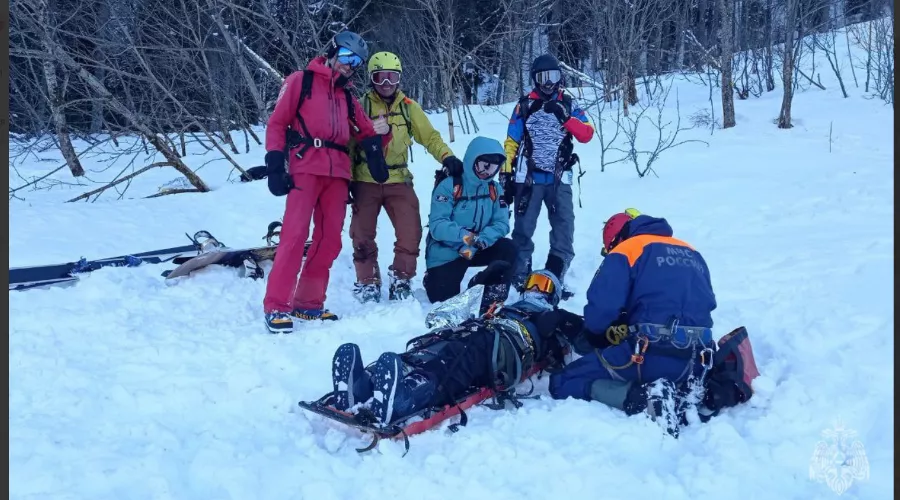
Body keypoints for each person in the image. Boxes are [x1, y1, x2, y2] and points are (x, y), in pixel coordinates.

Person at [325, 270, 580, 424]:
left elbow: (587, 338)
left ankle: (408, 398)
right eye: (533, 281)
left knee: (462, 357)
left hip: (506, 348)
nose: (535, 289)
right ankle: (365, 385)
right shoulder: (508, 306)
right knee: (433, 346)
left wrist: (561, 321)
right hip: (479, 329)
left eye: (544, 285)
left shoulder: (556, 317)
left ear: (553, 296)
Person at [262, 31, 391, 333]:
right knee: (294, 235)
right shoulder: (301, 81)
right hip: (306, 167)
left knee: (329, 240)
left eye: (356, 62)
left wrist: (378, 144)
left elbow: (366, 131)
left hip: (338, 174)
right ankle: (276, 305)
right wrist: (274, 163)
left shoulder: (347, 96)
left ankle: (308, 303)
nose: (349, 65)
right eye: (346, 57)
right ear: (332, 52)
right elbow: (277, 123)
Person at [547, 209, 719, 436]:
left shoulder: (626, 250)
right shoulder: (692, 252)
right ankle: (683, 395)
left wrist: (597, 337)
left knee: (562, 381)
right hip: (697, 361)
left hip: (649, 353)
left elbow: (601, 310)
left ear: (616, 239)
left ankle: (643, 398)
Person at [348, 51, 464, 303]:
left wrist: (447, 157)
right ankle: (367, 280)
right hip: (365, 177)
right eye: (380, 77)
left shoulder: (408, 107)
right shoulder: (360, 106)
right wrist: (345, 178)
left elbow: (430, 137)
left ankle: (401, 278)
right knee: (361, 233)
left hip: (398, 177)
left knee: (410, 230)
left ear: (399, 79)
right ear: (371, 79)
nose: (386, 84)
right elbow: (348, 144)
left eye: (391, 77)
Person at [501, 53, 594, 297]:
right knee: (523, 228)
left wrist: (565, 117)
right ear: (535, 79)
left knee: (564, 227)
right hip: (528, 178)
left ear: (560, 77)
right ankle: (520, 275)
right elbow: (511, 141)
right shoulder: (524, 106)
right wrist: (506, 172)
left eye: (553, 76)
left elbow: (587, 134)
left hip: (559, 177)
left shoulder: (569, 104)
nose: (549, 83)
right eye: (543, 78)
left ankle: (555, 273)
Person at [423, 136, 516, 310]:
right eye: (483, 166)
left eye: (493, 168)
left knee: (508, 249)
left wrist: (483, 239)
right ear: (472, 160)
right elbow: (437, 225)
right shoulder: (449, 186)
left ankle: (491, 291)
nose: (487, 172)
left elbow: (502, 223)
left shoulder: (494, 189)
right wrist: (467, 237)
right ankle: (433, 278)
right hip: (449, 251)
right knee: (443, 301)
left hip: (477, 246)